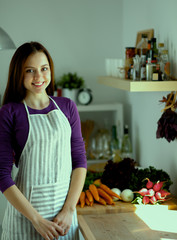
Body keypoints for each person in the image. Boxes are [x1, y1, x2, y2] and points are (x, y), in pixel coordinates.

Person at [0, 41, 87, 240]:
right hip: (25, 222)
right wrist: (37, 220)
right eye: (30, 70)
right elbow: (2, 175)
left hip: (63, 222)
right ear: (18, 74)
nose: (39, 77)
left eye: (44, 69)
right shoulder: (9, 113)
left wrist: (68, 210)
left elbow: (79, 161)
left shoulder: (67, 107)